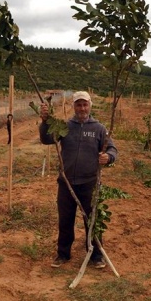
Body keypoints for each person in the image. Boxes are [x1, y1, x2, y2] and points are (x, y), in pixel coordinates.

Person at [39, 91, 118, 269]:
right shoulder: (65, 126)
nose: (82, 108)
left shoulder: (99, 128)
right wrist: (45, 121)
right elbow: (46, 139)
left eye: (85, 104)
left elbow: (113, 149)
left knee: (92, 219)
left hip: (89, 183)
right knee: (65, 220)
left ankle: (96, 255)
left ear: (90, 105)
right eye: (78, 105)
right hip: (66, 182)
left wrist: (108, 157)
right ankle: (63, 254)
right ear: (73, 106)